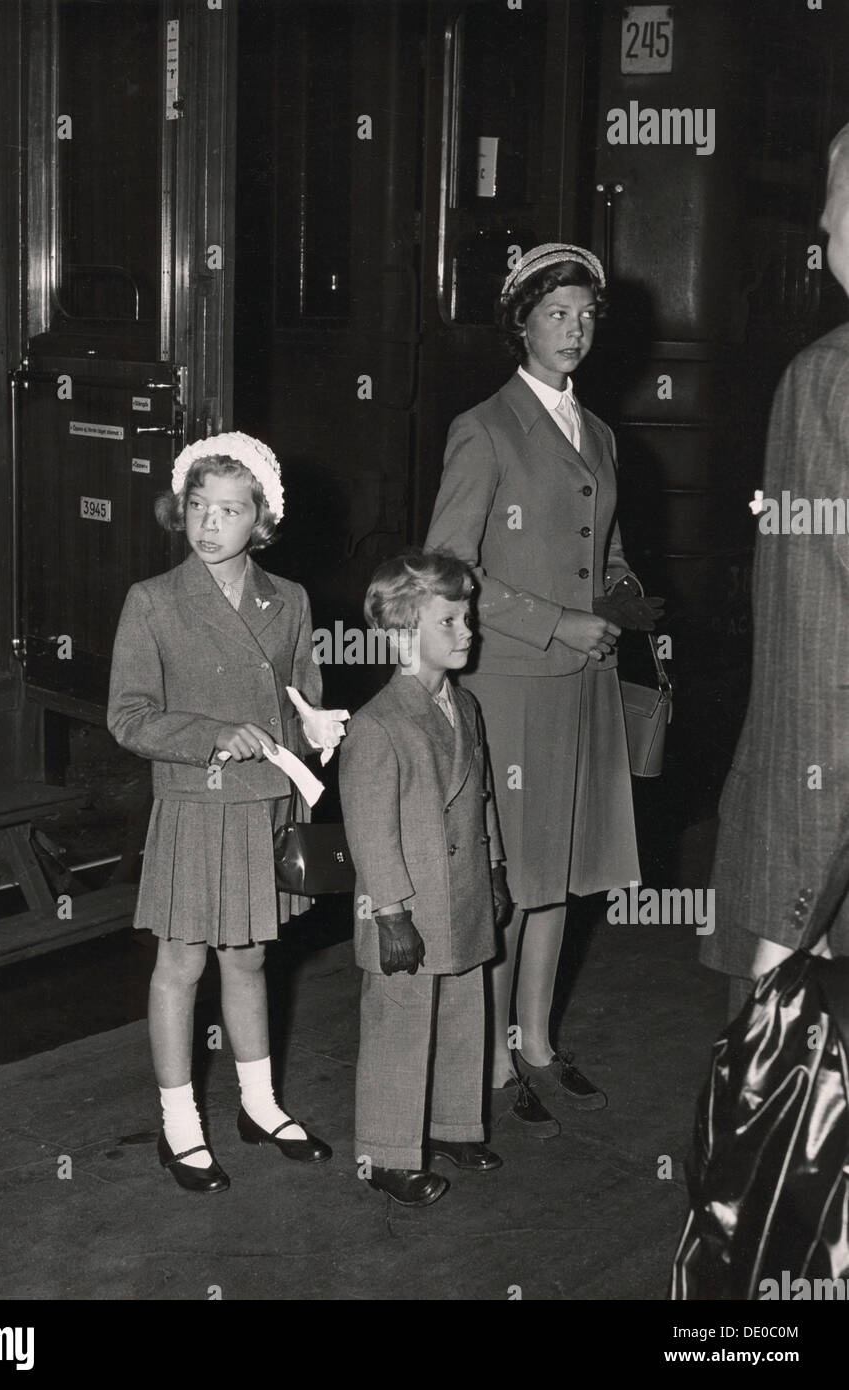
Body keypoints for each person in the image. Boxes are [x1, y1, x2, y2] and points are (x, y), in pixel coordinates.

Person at [425, 244, 661, 1134]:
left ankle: (535, 1040)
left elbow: (605, 549)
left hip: (588, 681)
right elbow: (448, 566)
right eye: (557, 314)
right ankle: (488, 1052)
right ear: (520, 324)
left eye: (587, 316)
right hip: (517, 680)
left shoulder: (597, 432)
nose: (575, 330)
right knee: (514, 878)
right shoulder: (483, 428)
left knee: (562, 875)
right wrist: (552, 621)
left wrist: (625, 597)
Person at [108, 432, 344, 1191]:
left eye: (231, 510)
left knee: (248, 956)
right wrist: (213, 736)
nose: (211, 524)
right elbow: (129, 716)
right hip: (194, 801)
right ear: (182, 512)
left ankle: (259, 1104)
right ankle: (180, 1125)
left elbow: (301, 691)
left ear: (262, 520)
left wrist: (313, 727)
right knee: (181, 963)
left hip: (264, 804)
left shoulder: (292, 600)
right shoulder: (152, 601)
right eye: (199, 508)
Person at [701, 122, 849, 1006]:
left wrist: (781, 933)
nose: (821, 235)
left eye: (831, 210)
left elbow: (825, 672)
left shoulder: (829, 380)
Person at [338, 550, 510, 1208]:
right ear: (405, 632)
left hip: (462, 893)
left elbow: (483, 796)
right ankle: (386, 1153)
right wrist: (390, 913)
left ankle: (453, 1124)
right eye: (451, 620)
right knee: (399, 1025)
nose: (469, 631)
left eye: (468, 617)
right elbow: (369, 830)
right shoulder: (379, 726)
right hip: (405, 905)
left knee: (465, 1010)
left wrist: (494, 870)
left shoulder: (463, 707)